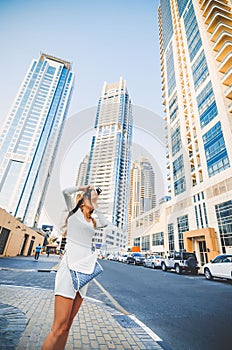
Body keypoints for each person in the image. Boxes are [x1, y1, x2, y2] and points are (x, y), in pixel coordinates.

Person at [41, 185, 107, 350]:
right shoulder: (74, 214)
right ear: (83, 200)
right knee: (58, 328)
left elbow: (105, 223)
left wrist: (96, 205)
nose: (94, 201)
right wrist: (84, 188)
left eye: (96, 199)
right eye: (91, 198)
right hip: (69, 270)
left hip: (85, 273)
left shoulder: (92, 222)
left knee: (67, 326)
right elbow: (65, 192)